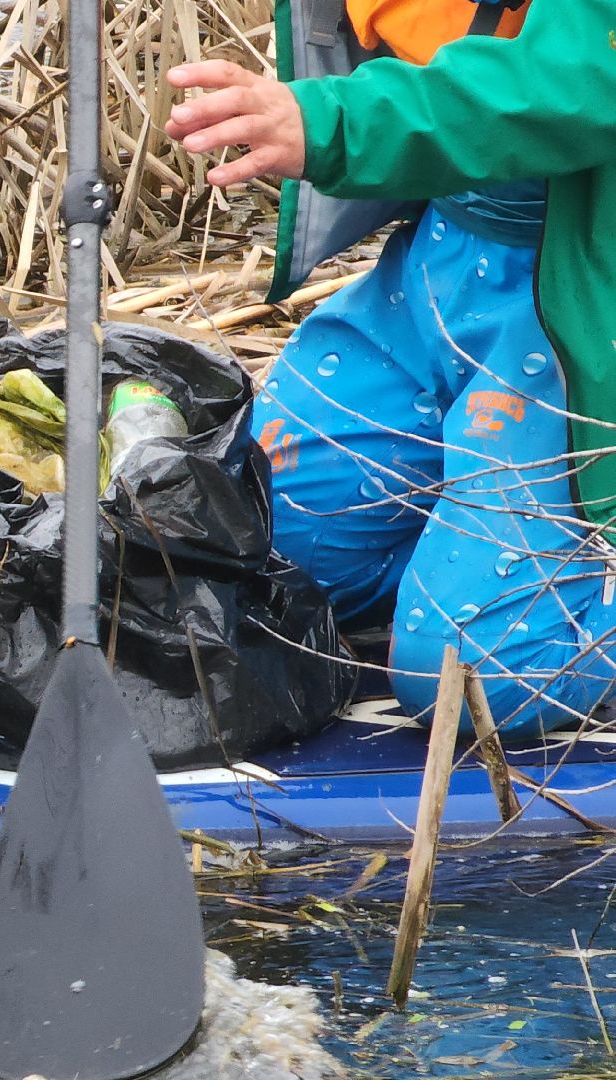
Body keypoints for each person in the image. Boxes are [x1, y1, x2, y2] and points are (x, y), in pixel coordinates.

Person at [164, 0, 616, 738]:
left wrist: (328, 123)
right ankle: (477, 536)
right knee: (258, 552)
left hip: (586, 318)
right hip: (439, 278)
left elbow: (562, 83)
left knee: (472, 682)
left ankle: (518, 583)